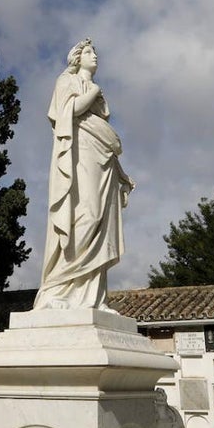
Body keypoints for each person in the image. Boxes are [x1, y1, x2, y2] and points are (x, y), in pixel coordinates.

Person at [33, 38, 135, 310]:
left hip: (102, 162)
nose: (95, 56)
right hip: (79, 157)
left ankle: (93, 298)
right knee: (85, 215)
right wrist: (94, 91)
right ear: (77, 58)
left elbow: (104, 139)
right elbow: (72, 111)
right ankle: (59, 289)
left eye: (95, 52)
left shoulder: (98, 95)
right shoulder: (67, 82)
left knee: (102, 223)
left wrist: (122, 175)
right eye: (90, 52)